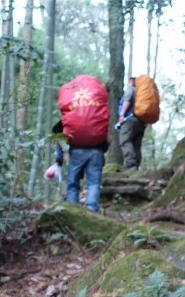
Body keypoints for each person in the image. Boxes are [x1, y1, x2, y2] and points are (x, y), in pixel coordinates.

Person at [52, 75, 110, 213]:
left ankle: (72, 210)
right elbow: (107, 137)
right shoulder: (96, 111)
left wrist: (58, 160)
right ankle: (91, 210)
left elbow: (58, 134)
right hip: (96, 150)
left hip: (76, 149)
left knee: (73, 183)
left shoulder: (71, 112)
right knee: (94, 183)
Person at [116, 79, 147, 171]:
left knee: (124, 140)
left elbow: (127, 100)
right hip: (140, 121)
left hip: (129, 119)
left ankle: (130, 164)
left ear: (131, 82)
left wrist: (122, 114)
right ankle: (136, 165)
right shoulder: (141, 94)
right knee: (136, 143)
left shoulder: (131, 89)